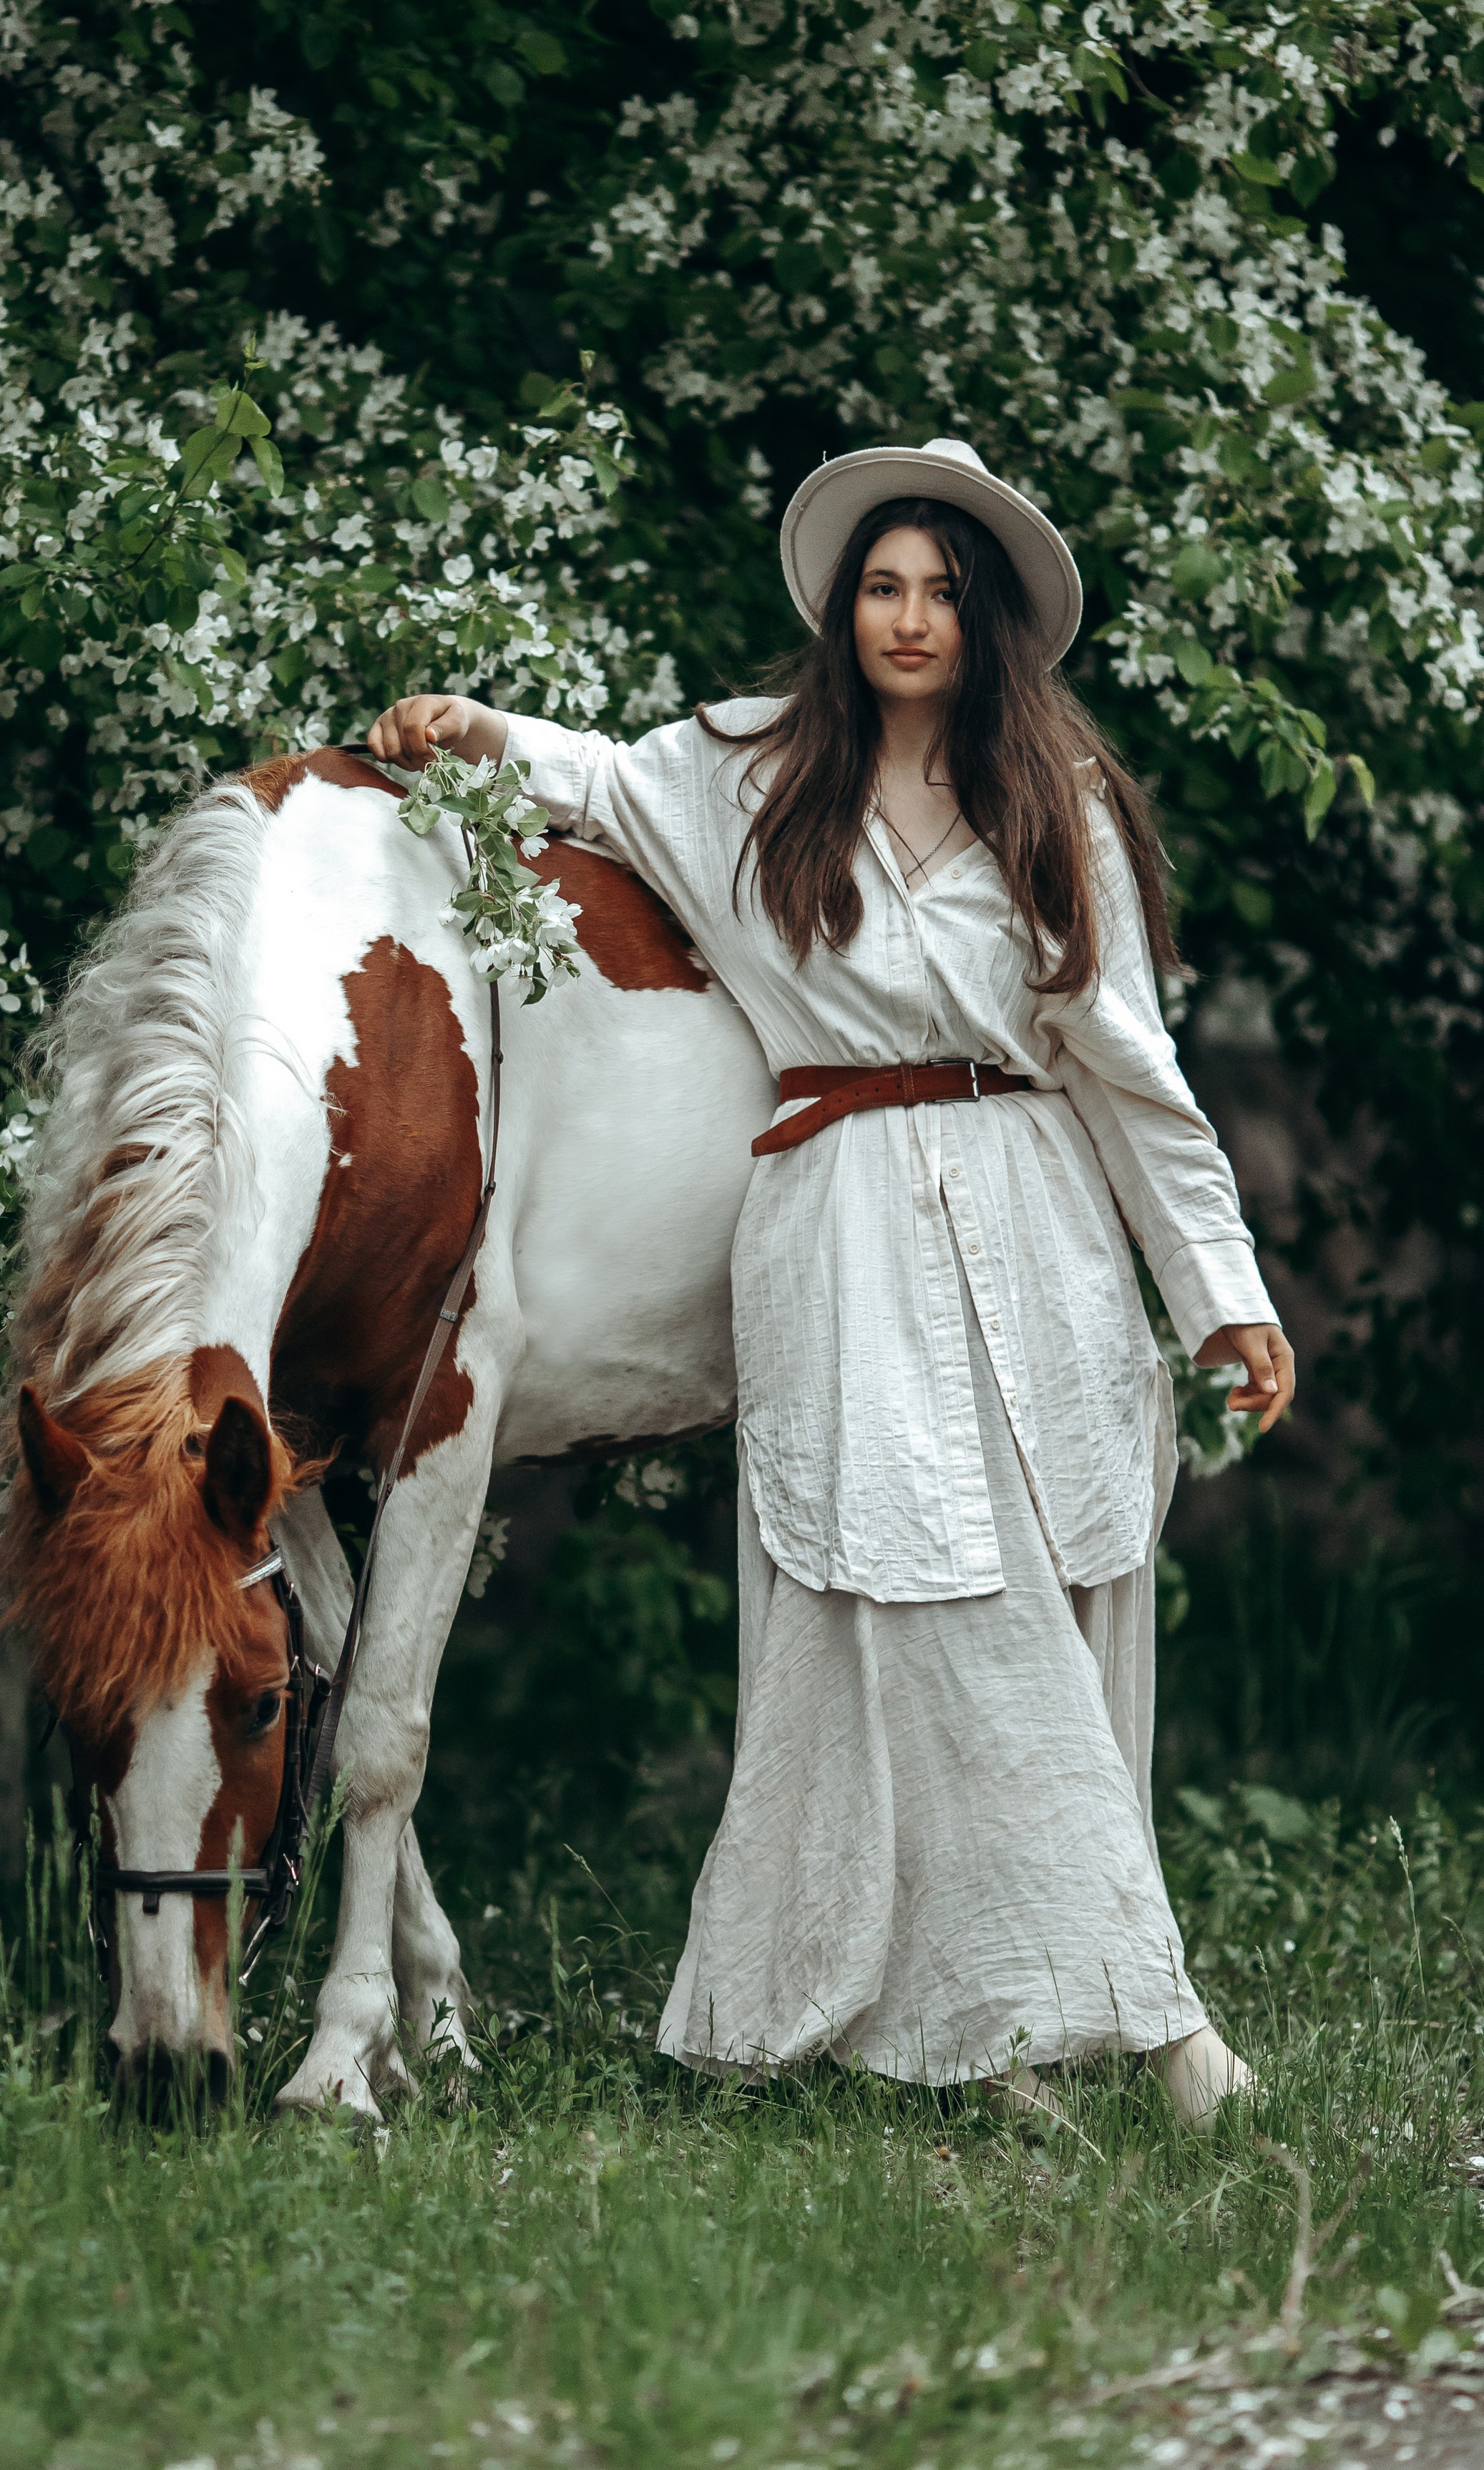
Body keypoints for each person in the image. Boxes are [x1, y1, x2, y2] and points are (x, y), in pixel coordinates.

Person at [367, 436, 1294, 2129]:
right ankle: (1165, 2037)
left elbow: (1132, 1073)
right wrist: (472, 729)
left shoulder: (1050, 804)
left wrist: (1217, 1289)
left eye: (942, 590)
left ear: (988, 615)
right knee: (928, 1609)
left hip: (1041, 1224)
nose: (910, 616)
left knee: (1054, 1598)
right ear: (840, 606)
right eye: (882, 584)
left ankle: (980, 2030)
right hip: (843, 1222)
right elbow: (587, 778)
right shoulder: (747, 774)